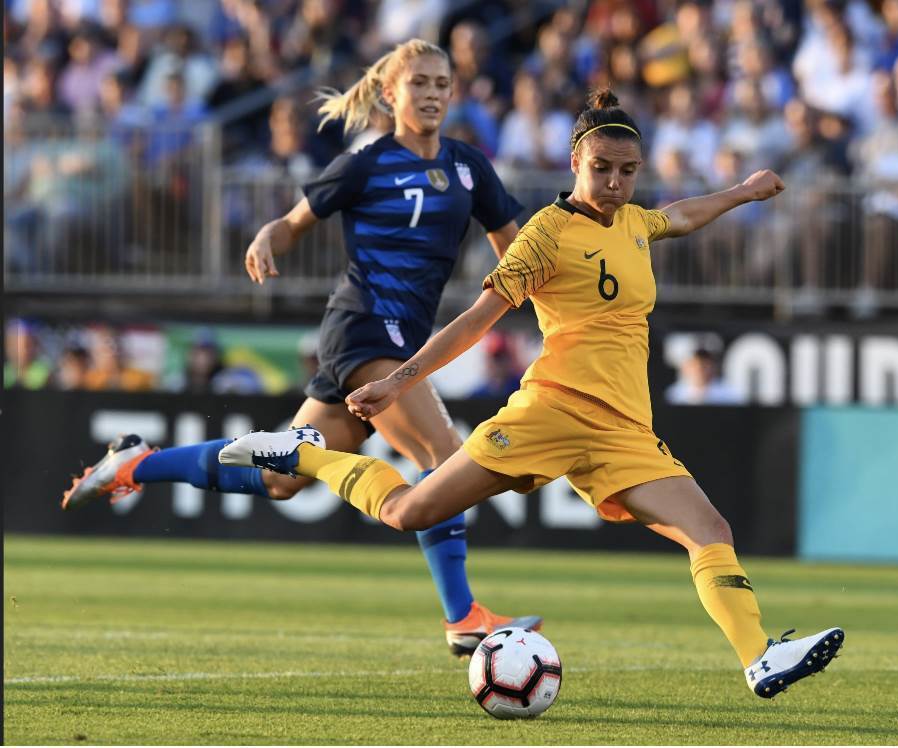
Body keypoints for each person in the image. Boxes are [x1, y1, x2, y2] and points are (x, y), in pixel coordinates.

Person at [219, 88, 844, 699]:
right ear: (576, 163)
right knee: (408, 512)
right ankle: (302, 454)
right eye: (601, 169)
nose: (615, 183)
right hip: (552, 411)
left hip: (624, 430)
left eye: (628, 171)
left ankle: (758, 657)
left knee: (711, 529)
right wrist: (396, 380)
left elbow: (678, 216)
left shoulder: (632, 223)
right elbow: (476, 318)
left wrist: (741, 192)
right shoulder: (546, 233)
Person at [60, 39, 540, 656]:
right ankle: (461, 617)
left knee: (284, 478)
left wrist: (541, 289)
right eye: (419, 82)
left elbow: (518, 251)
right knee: (445, 459)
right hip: (364, 329)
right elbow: (289, 223)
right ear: (390, 93)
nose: (432, 93)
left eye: (442, 83)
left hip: (399, 339)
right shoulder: (365, 164)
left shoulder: (471, 167)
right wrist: (265, 241)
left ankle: (133, 464)